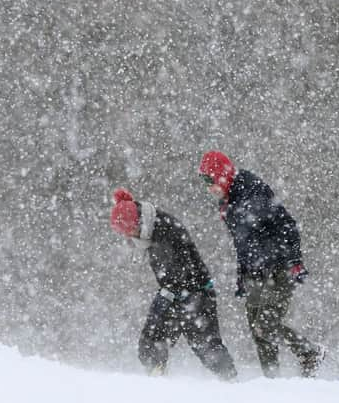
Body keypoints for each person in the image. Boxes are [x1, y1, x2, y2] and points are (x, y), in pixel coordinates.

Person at [198, 151, 325, 378]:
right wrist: (242, 277)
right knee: (258, 332)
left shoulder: (252, 189)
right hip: (253, 273)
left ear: (223, 176)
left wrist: (294, 260)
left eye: (211, 180)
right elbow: (242, 244)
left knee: (265, 326)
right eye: (205, 182)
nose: (209, 188)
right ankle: (271, 381)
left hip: (278, 268)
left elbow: (287, 224)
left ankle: (310, 352)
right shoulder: (226, 203)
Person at [110, 188, 237, 380]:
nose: (130, 237)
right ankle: (157, 377)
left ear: (138, 222)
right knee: (151, 340)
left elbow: (178, 274)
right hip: (177, 291)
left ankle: (231, 383)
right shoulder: (152, 229)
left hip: (196, 292)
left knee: (205, 344)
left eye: (130, 231)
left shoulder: (163, 232)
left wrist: (169, 299)